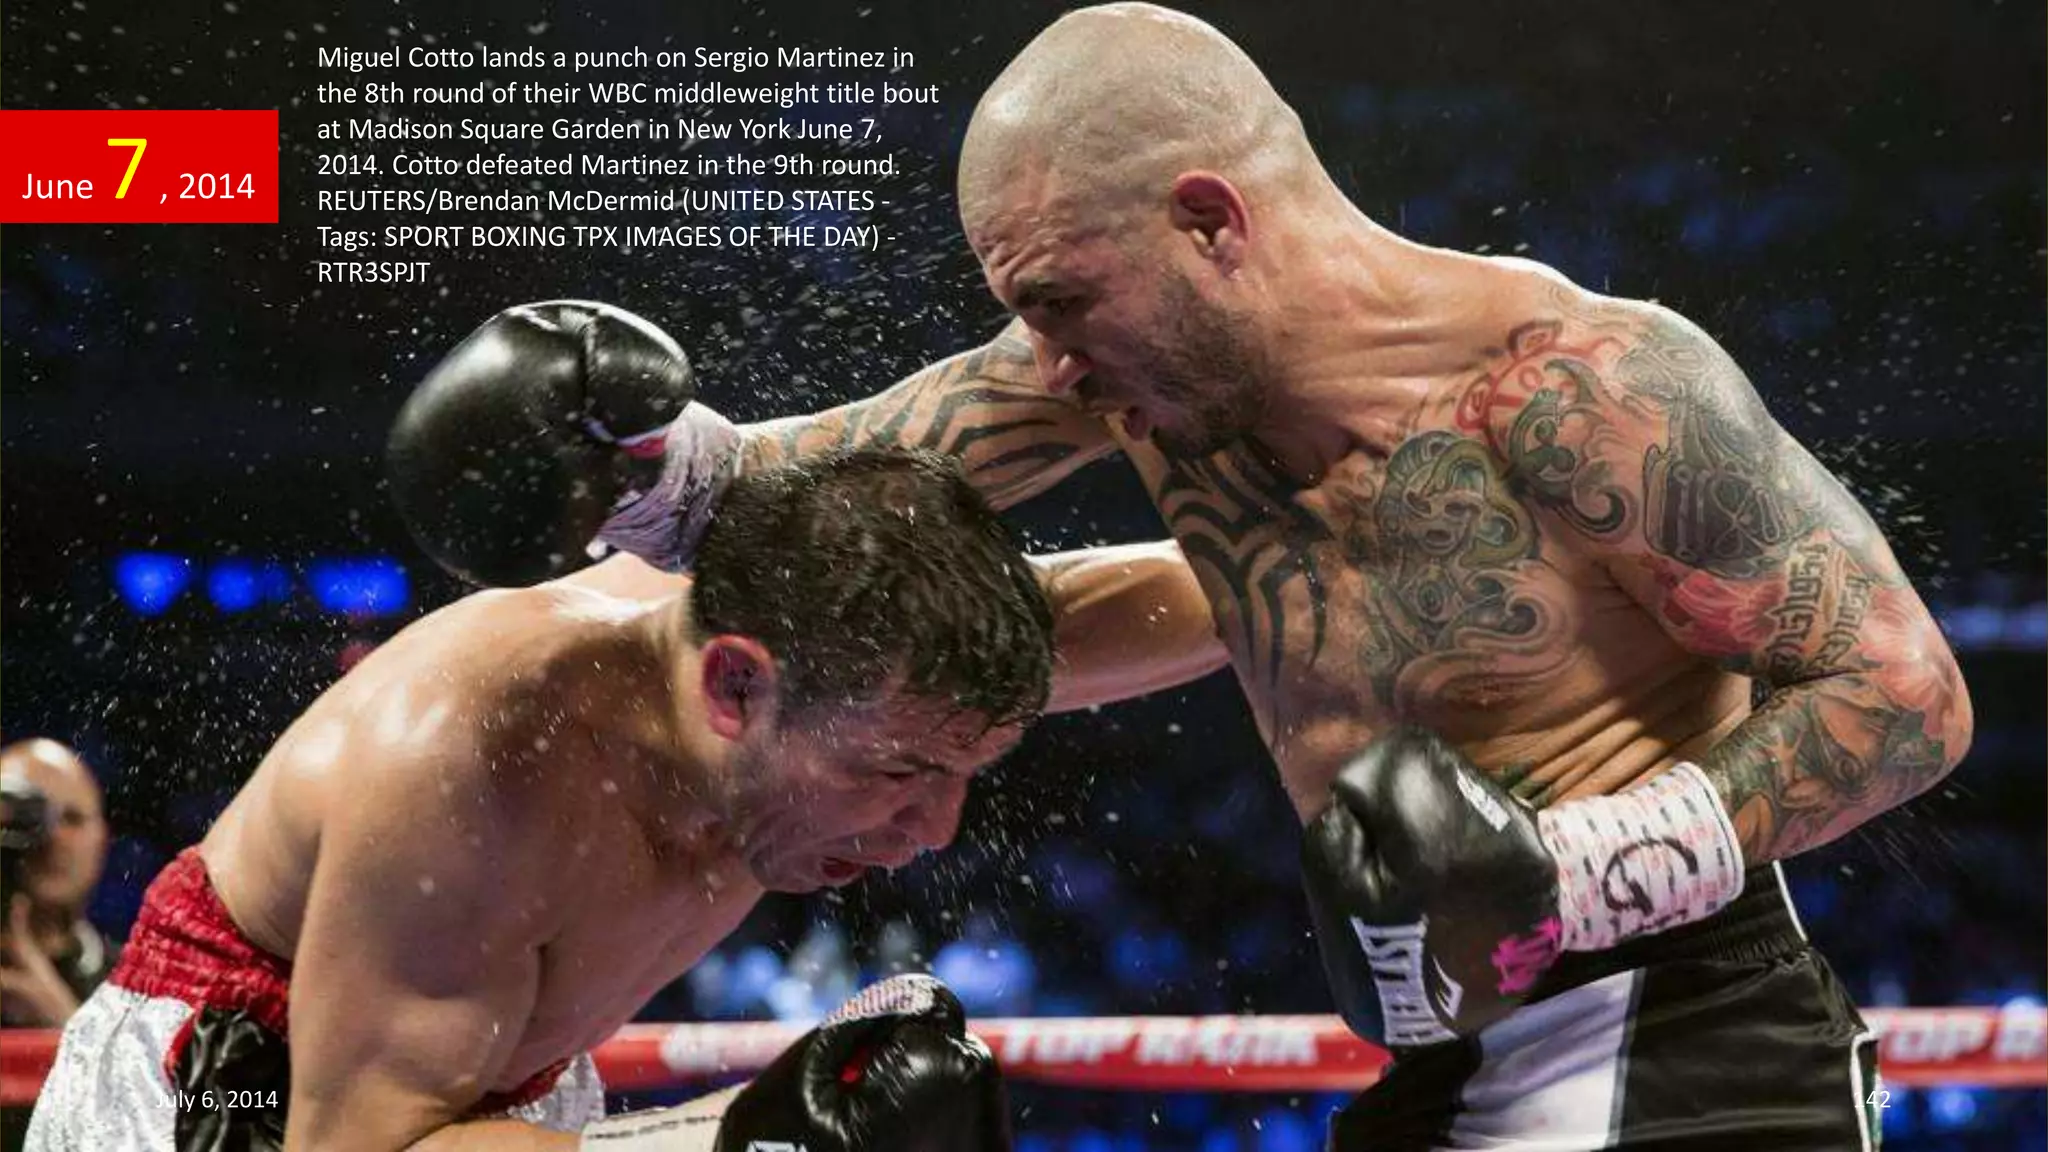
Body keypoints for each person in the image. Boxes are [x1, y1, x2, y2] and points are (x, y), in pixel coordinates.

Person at [394, 10, 1971, 1145]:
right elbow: (836, 482)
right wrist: (644, 472)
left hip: (1680, 1034)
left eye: (1069, 302)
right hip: (1445, 1056)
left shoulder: (1582, 386)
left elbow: (1904, 692)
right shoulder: (1131, 370)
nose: (1053, 362)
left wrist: (1582, 870)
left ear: (1210, 222)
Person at [24, 440, 1214, 1152]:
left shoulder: (870, 652)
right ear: (733, 687)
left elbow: (1225, 600)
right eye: (898, 773)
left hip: (503, 1095)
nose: (931, 827)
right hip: (240, 1094)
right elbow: (361, 1145)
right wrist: (726, 1139)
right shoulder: (475, 762)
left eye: (963, 770)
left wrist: (1358, 553)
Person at [0, 738, 115, 1030]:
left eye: (72, 819)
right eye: (27, 818)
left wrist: (62, 1022)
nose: (53, 836)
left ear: (102, 840)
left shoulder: (143, 984)